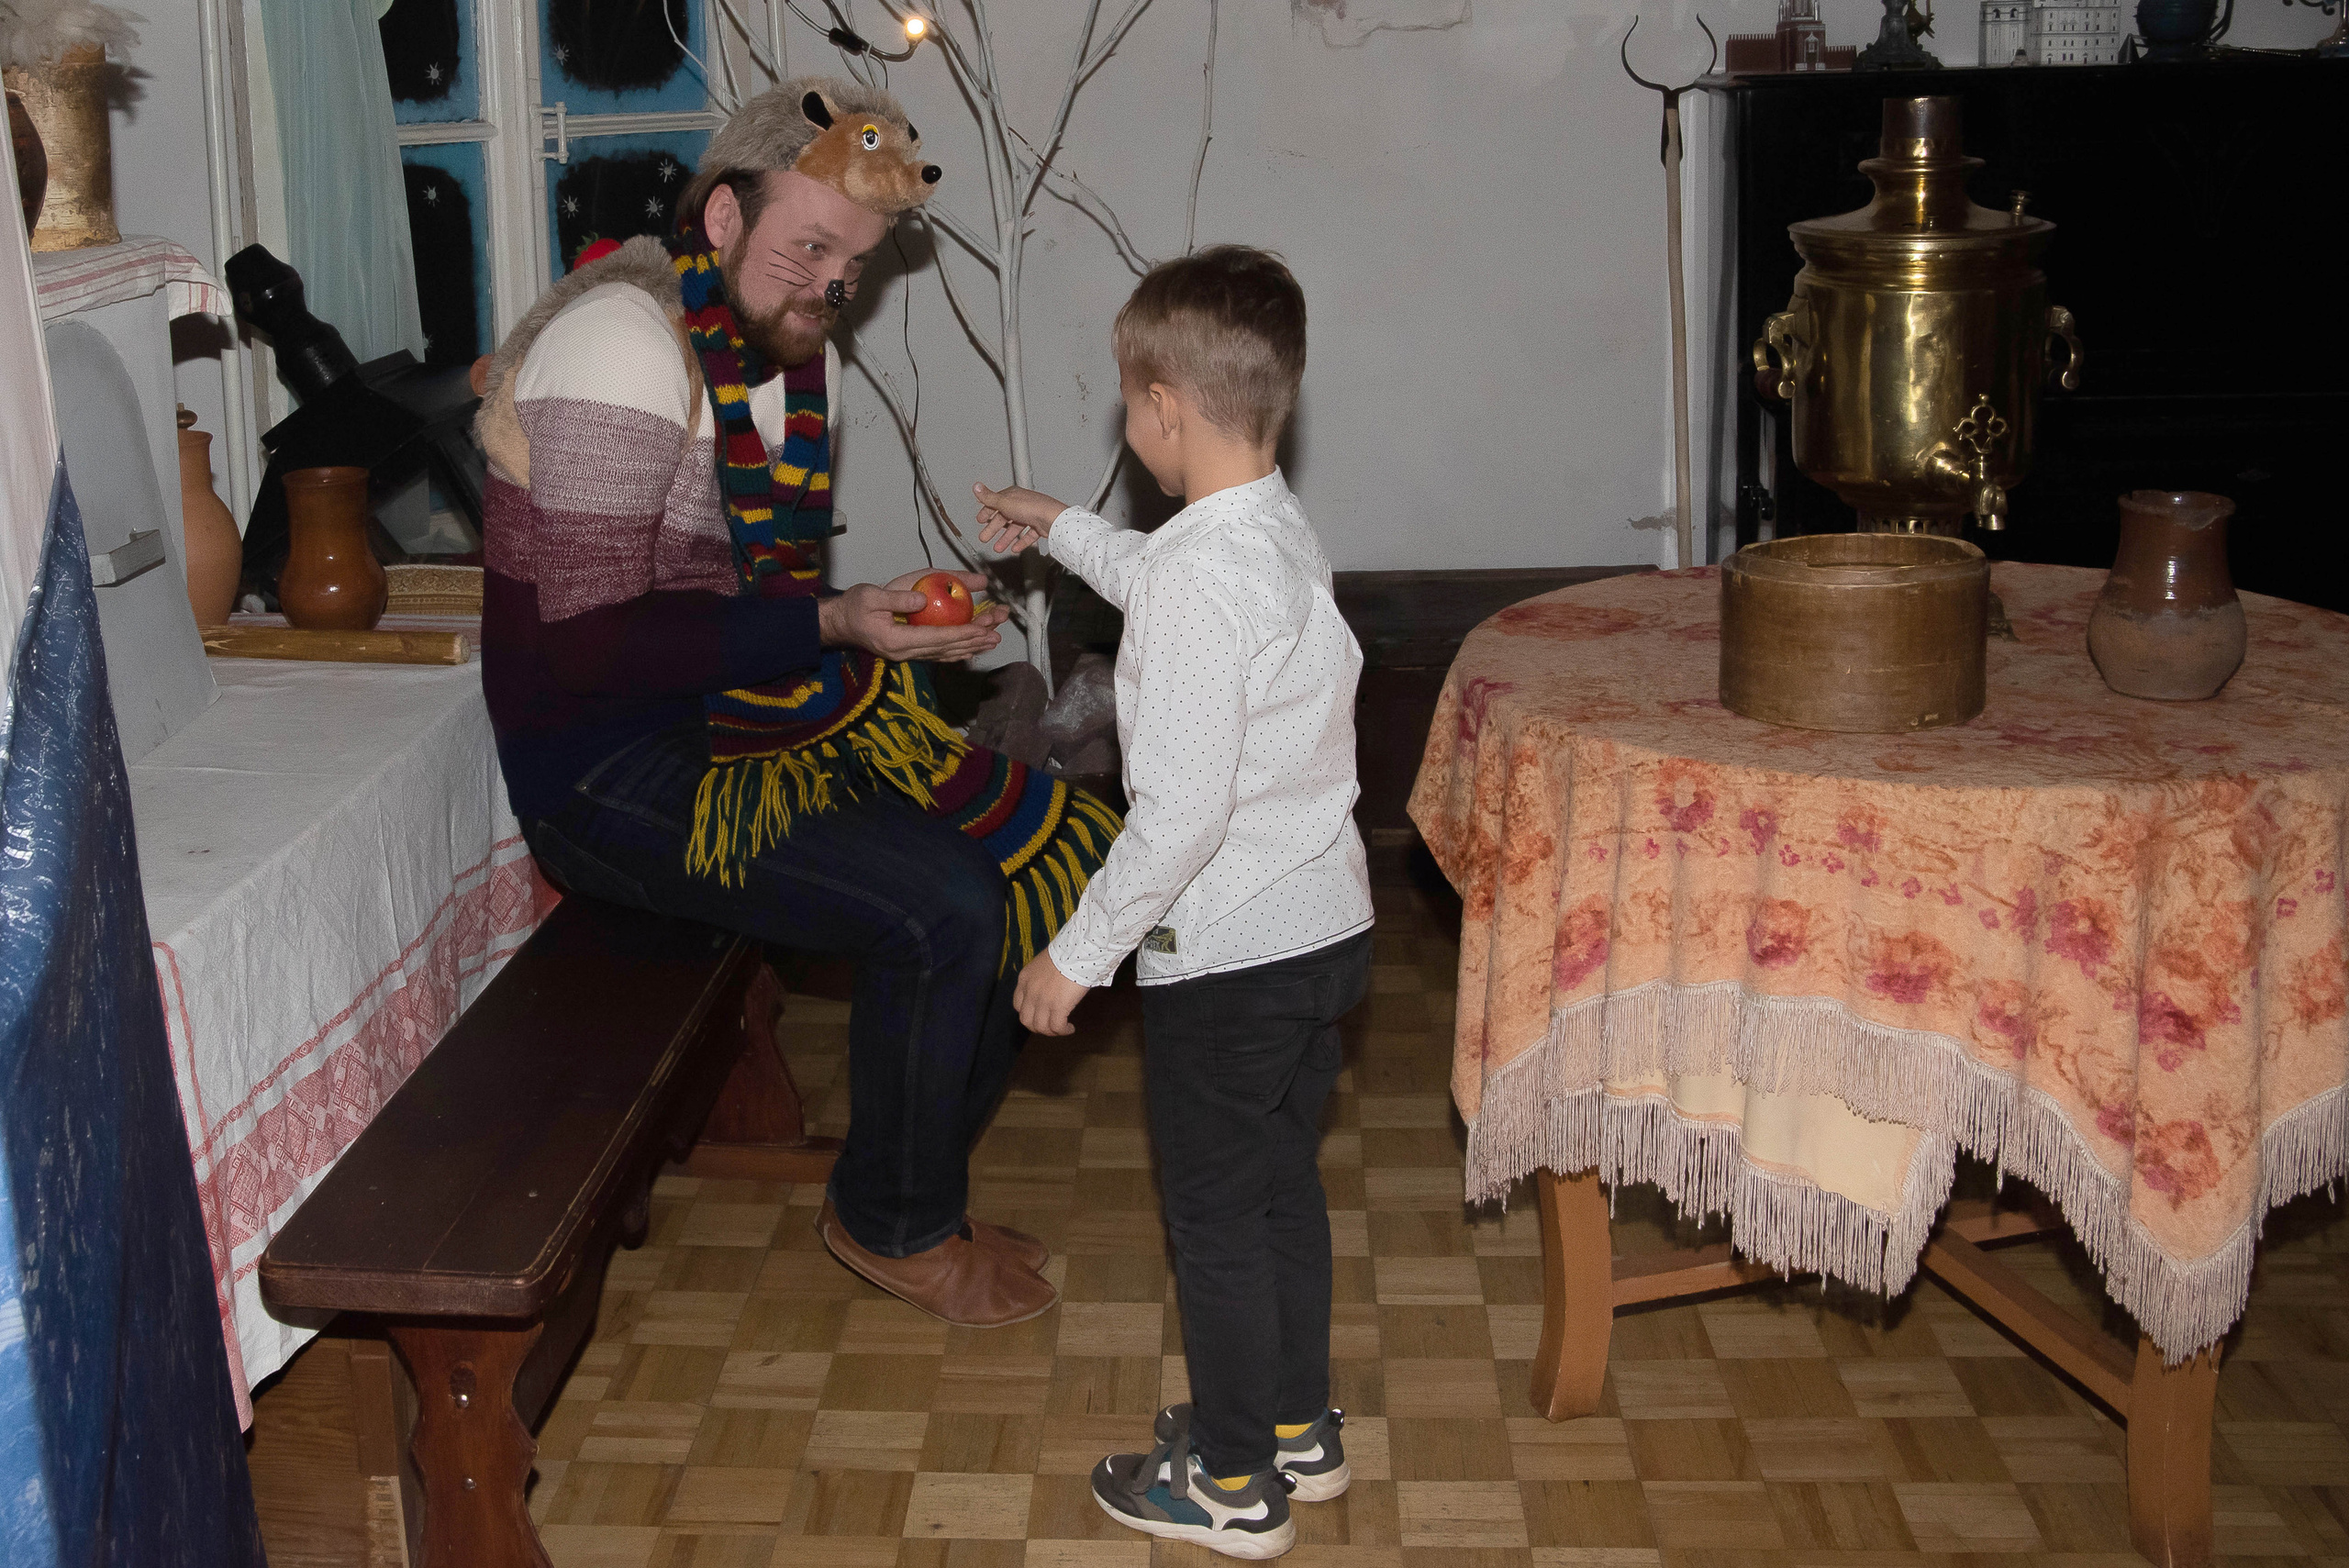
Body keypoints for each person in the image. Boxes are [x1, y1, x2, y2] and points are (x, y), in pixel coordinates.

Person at [473, 77, 1118, 1330]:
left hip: (722, 724)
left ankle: (909, 1178)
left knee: (1041, 847)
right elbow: (595, 644)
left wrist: (891, 622)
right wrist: (837, 620)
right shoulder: (624, 344)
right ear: (720, 218)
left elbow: (743, 597)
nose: (830, 286)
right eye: (808, 247)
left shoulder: (760, 345)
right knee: (945, 903)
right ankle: (894, 1220)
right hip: (605, 775)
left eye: (854, 265)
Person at [975, 246, 1373, 1561]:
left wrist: (1075, 957)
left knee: (1212, 1215)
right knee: (1276, 1188)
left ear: (1161, 410)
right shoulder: (1265, 530)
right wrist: (1060, 523)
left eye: (1125, 398)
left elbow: (1181, 816)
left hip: (1230, 955)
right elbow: (1161, 574)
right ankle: (1301, 1426)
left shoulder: (1202, 579)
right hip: (1324, 931)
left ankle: (1233, 1481)